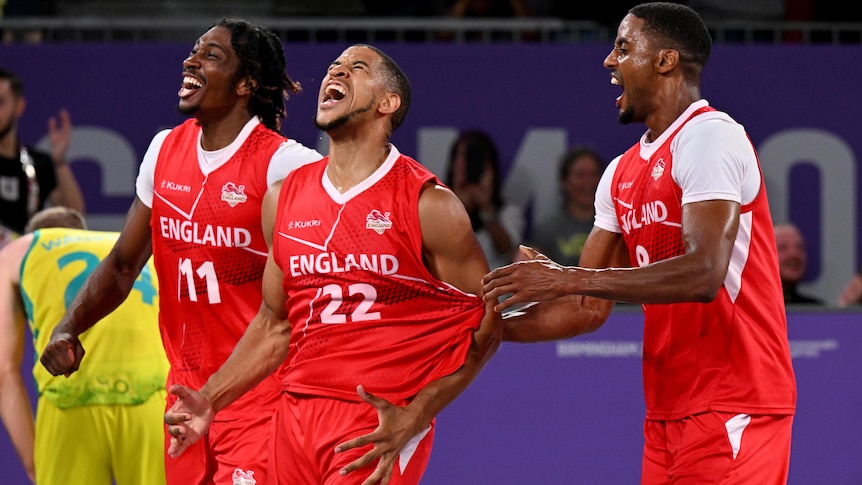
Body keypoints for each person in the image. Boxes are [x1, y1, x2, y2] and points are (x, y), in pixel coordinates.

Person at [482, 3, 796, 483]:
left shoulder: (711, 138)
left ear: (666, 61)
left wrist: (566, 278)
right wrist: (476, 324)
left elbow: (703, 274)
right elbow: (586, 306)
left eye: (624, 47)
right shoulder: (619, 173)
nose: (609, 60)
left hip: (734, 399)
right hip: (667, 411)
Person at [163, 44, 502, 485]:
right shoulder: (281, 198)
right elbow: (274, 324)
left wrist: (418, 413)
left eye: (356, 68)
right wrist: (210, 398)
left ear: (388, 103)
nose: (335, 74)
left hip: (375, 423)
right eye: (333, 68)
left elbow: (485, 326)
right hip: (294, 418)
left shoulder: (428, 206)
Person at [38, 17, 322, 485]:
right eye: (194, 50)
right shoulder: (163, 150)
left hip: (260, 399)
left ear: (247, 82)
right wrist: (70, 327)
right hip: (184, 400)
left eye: (212, 55)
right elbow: (124, 264)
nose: (191, 60)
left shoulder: (285, 164)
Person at [0, 207, 168, 485]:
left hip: (70, 399)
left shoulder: (18, 250)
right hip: (154, 396)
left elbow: (4, 371)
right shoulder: (129, 248)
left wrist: (35, 465)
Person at [0, 67, 85, 248]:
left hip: (22, 265)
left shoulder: (39, 163)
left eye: (0, 102)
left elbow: (75, 217)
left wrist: (59, 163)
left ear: (19, 106)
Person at [445, 129, 525, 269]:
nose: (466, 165)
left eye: (474, 158)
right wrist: (456, 203)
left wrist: (486, 207)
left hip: (494, 289)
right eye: (462, 157)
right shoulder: (435, 207)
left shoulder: (509, 212)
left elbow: (506, 249)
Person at [529, 146, 604, 266]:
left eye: (594, 174)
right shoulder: (546, 232)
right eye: (580, 175)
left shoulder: (617, 229)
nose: (588, 183)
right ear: (564, 182)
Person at [774, 222, 823, 305]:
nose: (794, 254)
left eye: (799, 247)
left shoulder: (815, 310)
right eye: (782, 247)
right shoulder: (748, 309)